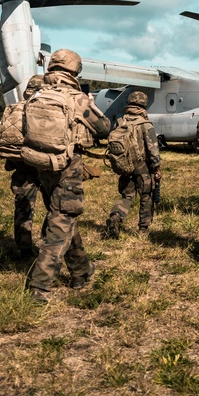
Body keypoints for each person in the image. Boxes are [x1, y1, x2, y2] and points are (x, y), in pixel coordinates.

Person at [24, 50, 110, 302]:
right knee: (61, 220)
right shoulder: (76, 98)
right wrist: (89, 102)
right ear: (75, 70)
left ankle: (81, 271)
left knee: (64, 214)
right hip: (68, 167)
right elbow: (104, 128)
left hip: (42, 165)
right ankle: (39, 286)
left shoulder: (37, 95)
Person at [0, 74, 45, 258]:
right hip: (40, 162)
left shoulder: (13, 108)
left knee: (24, 206)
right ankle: (50, 242)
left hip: (20, 163)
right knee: (55, 204)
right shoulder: (43, 108)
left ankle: (23, 246)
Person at [105, 91, 161, 238]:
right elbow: (153, 150)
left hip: (124, 165)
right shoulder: (146, 124)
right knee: (146, 195)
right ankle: (143, 229)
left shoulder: (120, 122)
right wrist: (156, 168)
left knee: (127, 196)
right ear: (144, 105)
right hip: (141, 167)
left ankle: (116, 216)